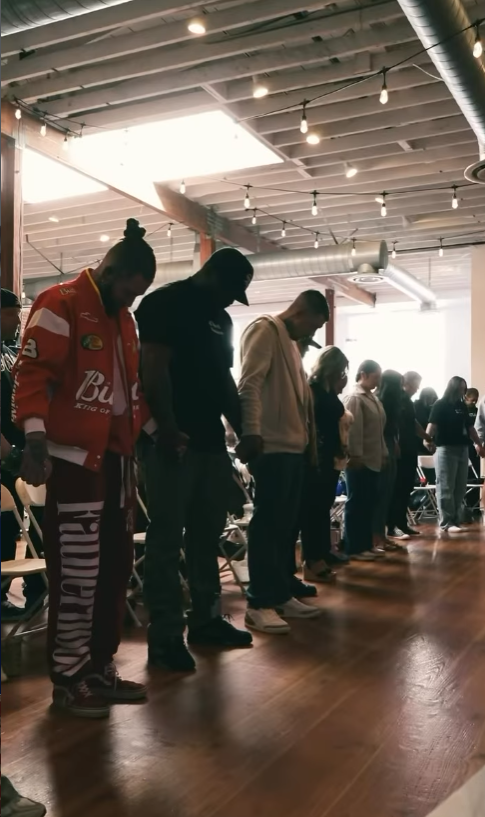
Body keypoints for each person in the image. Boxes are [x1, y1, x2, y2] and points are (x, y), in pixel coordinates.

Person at [13, 219, 155, 718]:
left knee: (116, 568)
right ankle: (69, 678)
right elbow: (32, 376)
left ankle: (98, 666)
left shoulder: (124, 319)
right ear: (110, 269)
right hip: (74, 461)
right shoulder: (60, 302)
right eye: (129, 292)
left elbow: (130, 392)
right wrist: (34, 440)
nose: (132, 303)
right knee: (78, 573)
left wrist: (155, 435)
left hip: (118, 463)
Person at [136, 247, 254, 672]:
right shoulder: (163, 303)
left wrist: (242, 429)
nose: (229, 301)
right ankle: (165, 636)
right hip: (171, 442)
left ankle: (205, 620)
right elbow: (153, 368)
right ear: (210, 275)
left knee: (206, 537)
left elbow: (224, 380)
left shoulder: (221, 320)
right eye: (228, 291)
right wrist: (166, 428)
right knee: (166, 541)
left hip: (209, 444)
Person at [237, 290, 329, 634]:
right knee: (268, 524)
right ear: (300, 311)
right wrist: (250, 433)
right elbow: (249, 384)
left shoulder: (291, 343)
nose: (311, 336)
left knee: (284, 526)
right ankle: (259, 601)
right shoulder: (265, 330)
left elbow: (300, 399)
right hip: (271, 446)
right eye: (312, 327)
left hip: (292, 447)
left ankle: (278, 592)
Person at [1, 288, 45, 620]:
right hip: (4, 453)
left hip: (16, 453)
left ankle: (20, 595)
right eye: (10, 312)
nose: (17, 319)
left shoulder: (8, 353)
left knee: (8, 529)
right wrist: (8, 453)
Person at [300, 346, 352, 581]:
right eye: (341, 369)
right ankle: (312, 560)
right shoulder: (313, 390)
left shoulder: (329, 391)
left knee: (323, 508)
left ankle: (322, 552)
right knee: (313, 510)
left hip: (331, 456)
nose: (343, 374)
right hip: (316, 457)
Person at [425, 376, 485, 532]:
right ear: (453, 388)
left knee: (460, 487)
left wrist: (478, 443)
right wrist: (427, 439)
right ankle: (446, 522)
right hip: (445, 449)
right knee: (445, 486)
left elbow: (471, 428)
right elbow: (432, 425)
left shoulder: (462, 405)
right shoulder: (441, 404)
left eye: (464, 389)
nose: (462, 392)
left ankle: (456, 519)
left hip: (462, 449)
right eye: (460, 388)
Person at [343, 360, 387, 561]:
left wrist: (384, 452)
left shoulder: (373, 398)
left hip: (374, 458)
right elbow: (354, 430)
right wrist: (355, 455)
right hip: (360, 460)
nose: (378, 382)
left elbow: (379, 431)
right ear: (363, 374)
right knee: (357, 503)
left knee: (369, 503)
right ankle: (354, 547)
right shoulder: (355, 397)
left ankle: (366, 544)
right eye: (375, 377)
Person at [387, 371, 434, 539]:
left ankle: (402, 523)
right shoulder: (396, 399)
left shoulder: (408, 401)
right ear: (406, 383)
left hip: (410, 450)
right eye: (415, 385)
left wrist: (426, 437)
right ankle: (391, 527)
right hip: (399, 451)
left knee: (407, 488)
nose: (417, 388)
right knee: (397, 489)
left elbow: (413, 423)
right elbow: (393, 424)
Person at [373, 370, 403, 552]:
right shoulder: (380, 401)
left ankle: (381, 535)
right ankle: (376, 537)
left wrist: (395, 443)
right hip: (381, 448)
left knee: (387, 494)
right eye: (399, 384)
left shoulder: (391, 402)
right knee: (381, 493)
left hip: (390, 445)